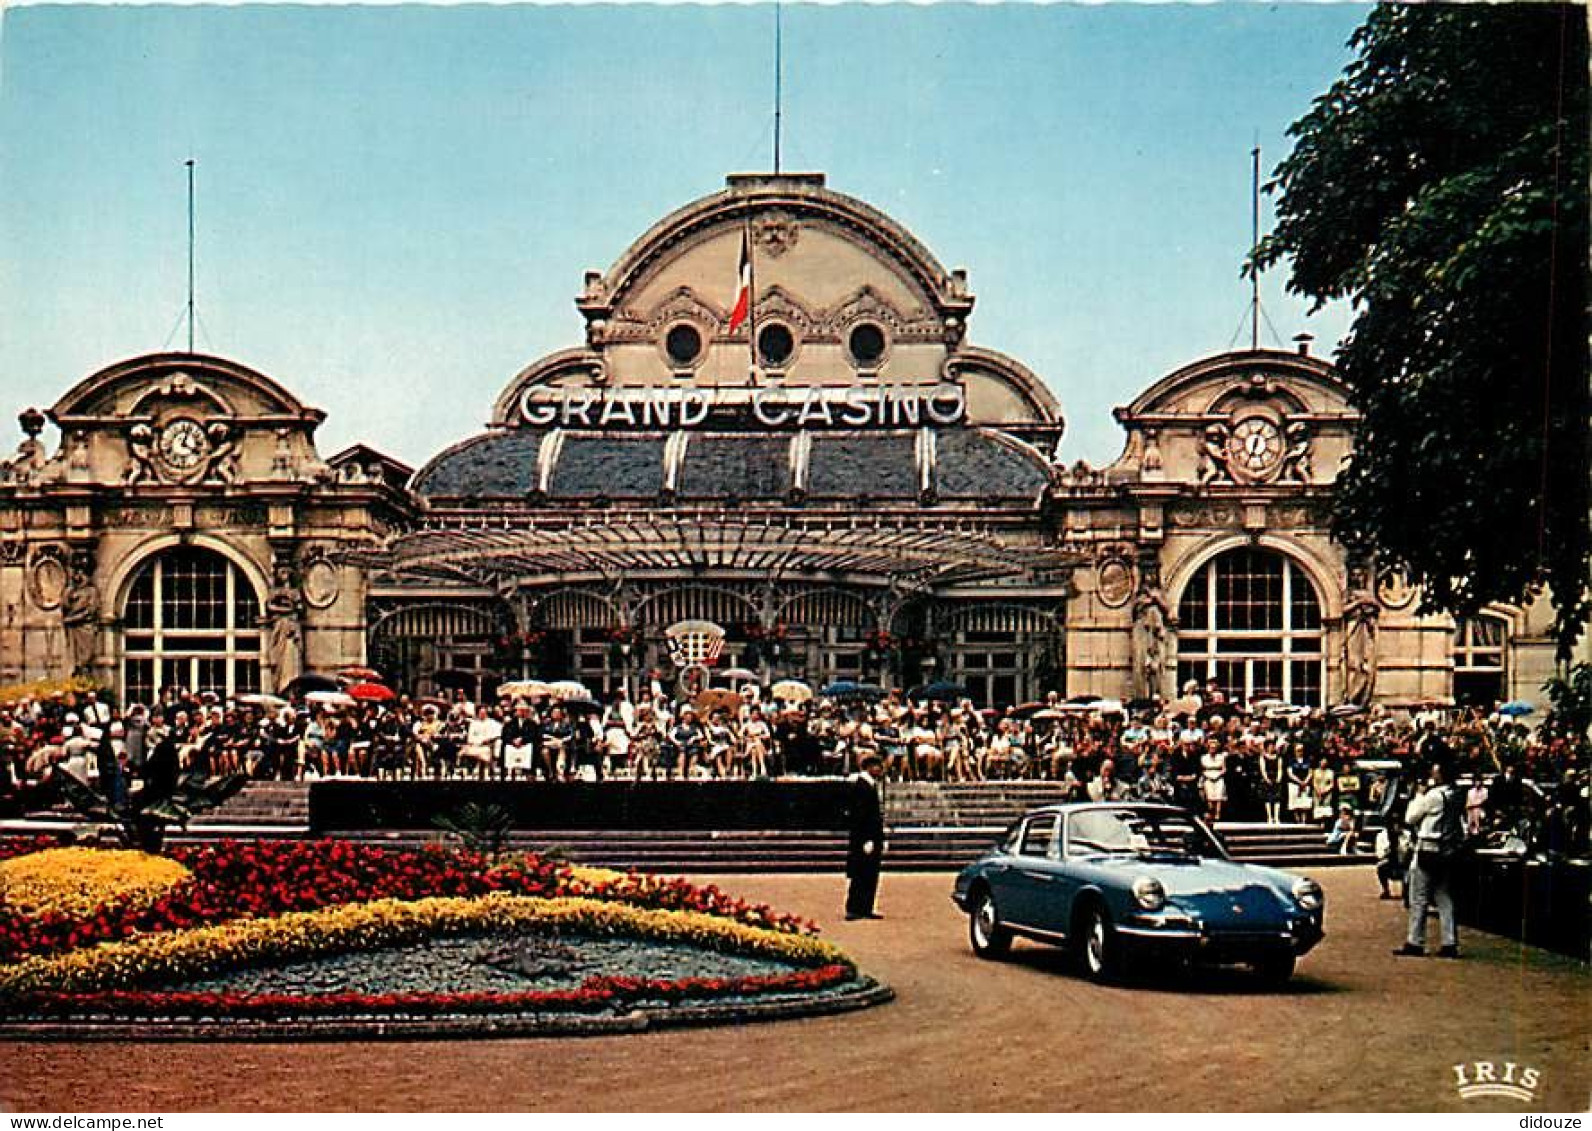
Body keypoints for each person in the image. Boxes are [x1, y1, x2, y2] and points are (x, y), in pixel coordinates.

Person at [1394, 759, 1465, 958]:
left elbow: (1410, 817)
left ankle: (1415, 940)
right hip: (1447, 848)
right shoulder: (1456, 794)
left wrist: (1418, 794)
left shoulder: (1433, 796)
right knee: (1444, 895)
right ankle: (1449, 941)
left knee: (1419, 897)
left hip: (1427, 847)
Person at [845, 755, 886, 920]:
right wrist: (866, 839)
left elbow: (876, 817)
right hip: (863, 838)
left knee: (871, 875)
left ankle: (866, 906)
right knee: (860, 874)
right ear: (870, 767)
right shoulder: (861, 787)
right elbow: (860, 815)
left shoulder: (870, 785)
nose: (880, 771)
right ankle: (854, 908)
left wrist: (880, 838)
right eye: (878, 767)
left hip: (872, 837)